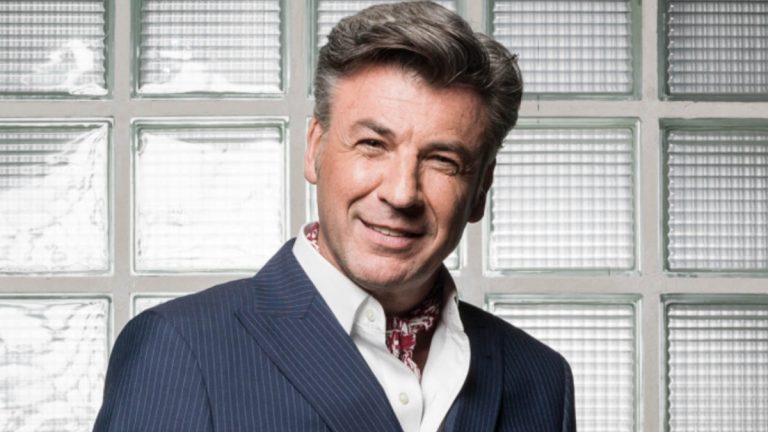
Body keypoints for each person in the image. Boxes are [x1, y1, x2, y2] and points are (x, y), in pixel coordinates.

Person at [93, 2, 576, 431]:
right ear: (315, 149)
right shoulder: (182, 348)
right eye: (373, 144)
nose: (401, 193)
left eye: (442, 161)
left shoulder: (541, 378)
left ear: (480, 190)